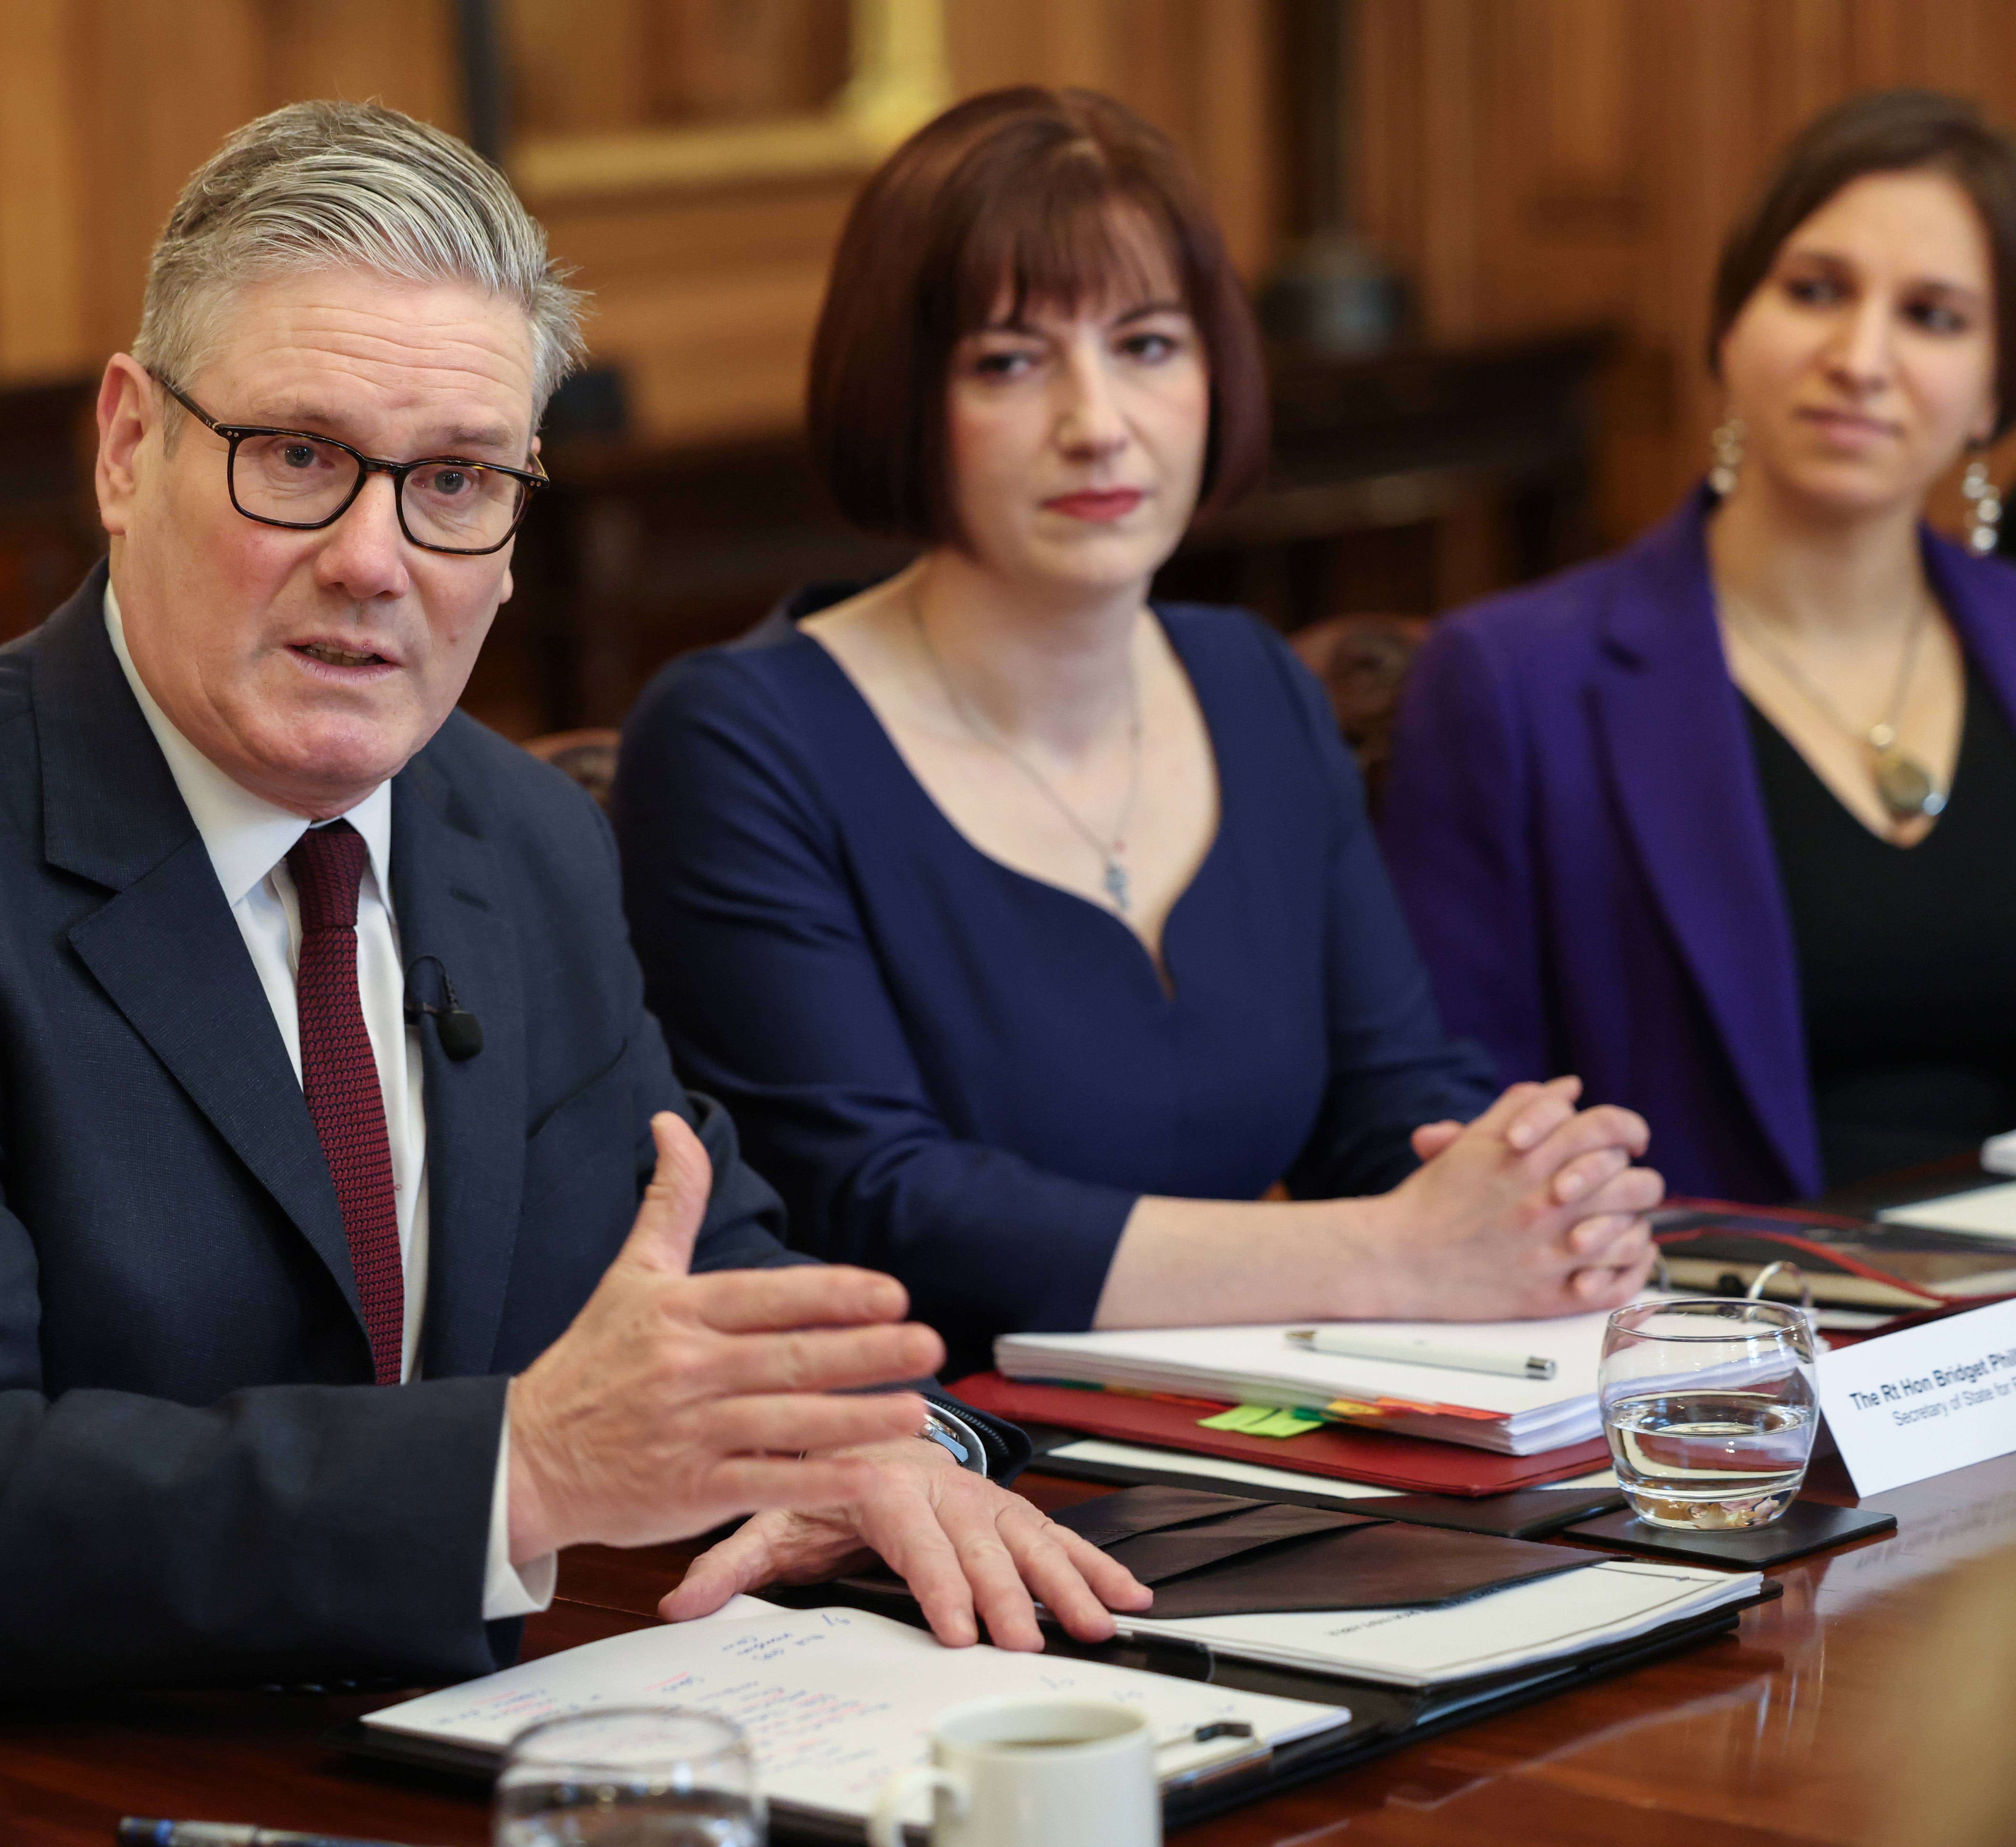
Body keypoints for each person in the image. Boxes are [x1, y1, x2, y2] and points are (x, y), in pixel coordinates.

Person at [0, 100, 1150, 1789]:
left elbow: (713, 1284)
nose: (373, 560)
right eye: (298, 456)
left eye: (455, 480)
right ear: (123, 446)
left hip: (378, 1756)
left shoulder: (518, 839)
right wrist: (514, 1470)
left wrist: (889, 1449)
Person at [608, 88, 1662, 1378]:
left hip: (1273, 1427)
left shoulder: (1253, 684)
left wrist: (1535, 1200)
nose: (1097, 422)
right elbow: (876, 1206)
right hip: (939, 1467)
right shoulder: (739, 738)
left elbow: (1388, 1097)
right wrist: (1397, 1254)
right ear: (904, 397)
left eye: (1149, 345)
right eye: (1011, 361)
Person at [1382, 89, 2016, 1202]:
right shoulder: (1515, 681)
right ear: (1730, 328)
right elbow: (1455, 1121)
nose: (1861, 357)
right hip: (1715, 1332)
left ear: (1993, 397)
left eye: (1934, 316)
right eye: (1816, 291)